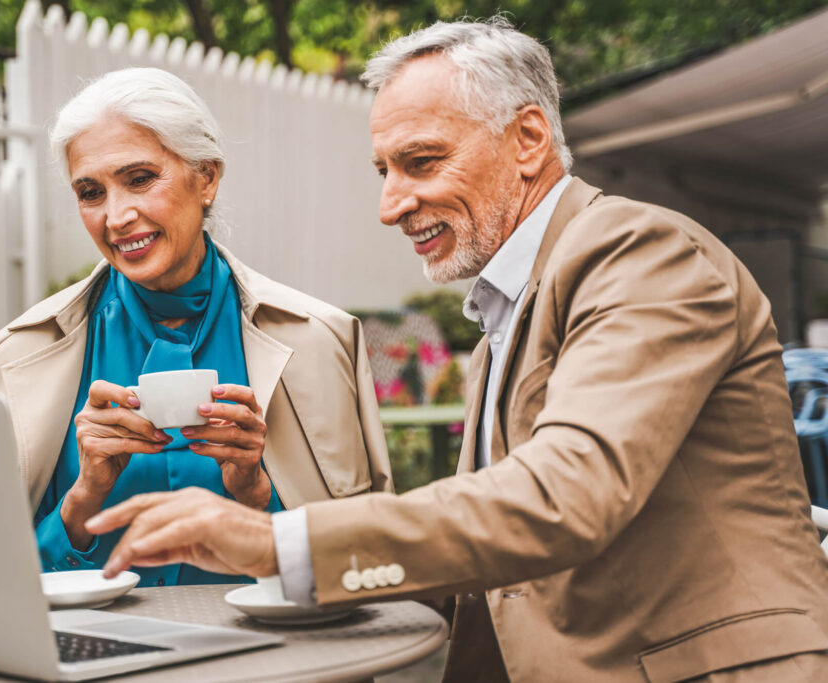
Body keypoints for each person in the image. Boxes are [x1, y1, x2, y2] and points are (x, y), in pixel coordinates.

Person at [86, 18, 828, 681]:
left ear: (529, 140)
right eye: (385, 171)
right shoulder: (503, 320)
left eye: (421, 161)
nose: (390, 204)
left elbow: (562, 497)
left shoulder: (643, 252)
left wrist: (279, 540)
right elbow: (487, 554)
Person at [0, 67, 392, 588]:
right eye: (90, 191)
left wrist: (256, 493)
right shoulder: (9, 360)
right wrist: (82, 500)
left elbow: (367, 566)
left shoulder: (321, 341)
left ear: (206, 177)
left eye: (140, 179)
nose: (116, 215)